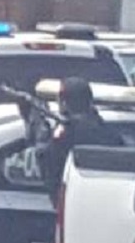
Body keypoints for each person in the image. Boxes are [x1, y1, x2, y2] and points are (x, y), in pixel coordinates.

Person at [37, 77, 123, 207]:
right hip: (104, 202)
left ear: (64, 103)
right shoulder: (107, 132)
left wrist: (42, 136)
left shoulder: (66, 134)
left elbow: (49, 168)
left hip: (73, 203)